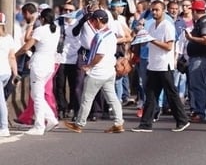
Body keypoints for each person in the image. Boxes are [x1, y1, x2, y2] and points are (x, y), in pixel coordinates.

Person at [131, 0, 191, 133]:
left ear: (163, 11)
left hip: (165, 65)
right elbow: (146, 40)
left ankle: (182, 120)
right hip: (153, 65)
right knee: (151, 95)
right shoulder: (151, 25)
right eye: (152, 10)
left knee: (172, 94)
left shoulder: (167, 26)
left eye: (157, 10)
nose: (154, 12)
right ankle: (146, 124)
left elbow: (169, 46)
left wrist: (152, 40)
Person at [64, 10, 125, 133]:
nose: (91, 23)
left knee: (87, 98)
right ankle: (119, 123)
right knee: (112, 98)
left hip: (98, 72)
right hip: (109, 71)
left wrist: (89, 66)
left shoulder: (100, 36)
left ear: (97, 20)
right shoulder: (111, 34)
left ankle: (79, 124)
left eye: (92, 21)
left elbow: (99, 55)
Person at [15, 8, 60, 136]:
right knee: (37, 95)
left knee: (37, 96)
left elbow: (26, 45)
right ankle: (51, 118)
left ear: (43, 19)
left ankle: (39, 126)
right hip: (49, 64)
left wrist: (14, 55)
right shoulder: (56, 29)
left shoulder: (40, 30)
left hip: (39, 64)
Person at [185, 0, 206, 123]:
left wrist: (192, 38)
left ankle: (201, 113)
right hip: (198, 58)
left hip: (201, 59)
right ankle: (200, 112)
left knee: (199, 86)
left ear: (195, 10)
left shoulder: (205, 22)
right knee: (198, 86)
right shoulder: (200, 22)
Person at [0, 12, 18, 137]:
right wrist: (15, 73)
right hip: (6, 72)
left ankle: (4, 127)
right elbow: (12, 57)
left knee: (1, 101)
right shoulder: (9, 38)